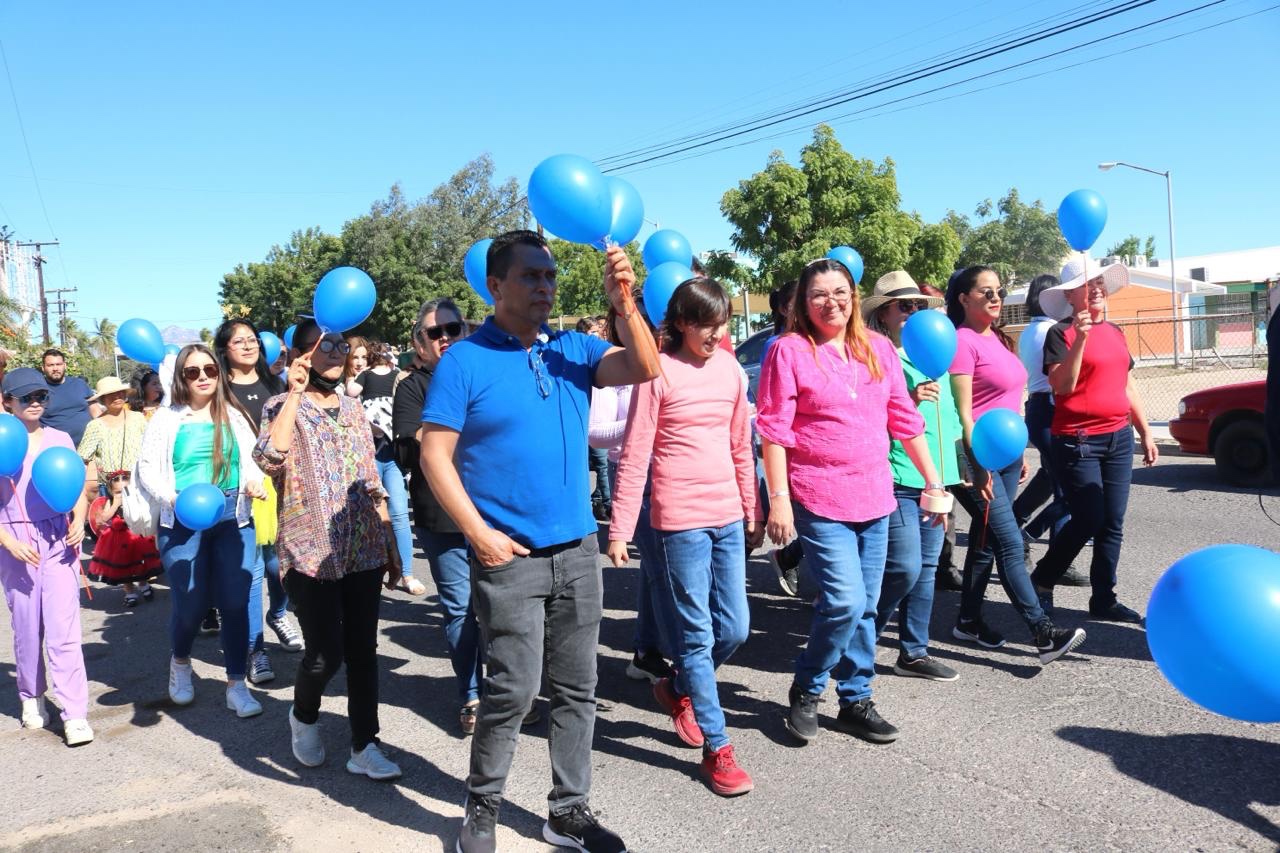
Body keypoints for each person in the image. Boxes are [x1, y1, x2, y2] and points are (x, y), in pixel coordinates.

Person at [421, 230, 657, 853]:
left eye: (549, 277)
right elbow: (434, 456)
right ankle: (482, 807)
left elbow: (646, 366)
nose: (544, 287)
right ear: (495, 286)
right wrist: (479, 535)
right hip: (511, 559)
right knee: (512, 691)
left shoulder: (574, 348)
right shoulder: (465, 361)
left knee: (578, 689)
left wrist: (625, 302)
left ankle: (568, 812)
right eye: (530, 277)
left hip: (579, 551)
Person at [756, 259, 949, 746]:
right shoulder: (789, 351)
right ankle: (807, 685)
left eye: (840, 292)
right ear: (803, 302)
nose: (831, 302)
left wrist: (934, 482)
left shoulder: (879, 349)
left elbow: (905, 421)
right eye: (819, 294)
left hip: (875, 495)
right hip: (819, 496)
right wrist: (778, 500)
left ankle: (856, 696)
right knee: (844, 601)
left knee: (864, 606)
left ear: (854, 295)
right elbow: (774, 432)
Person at [608, 277, 761, 796]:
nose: (715, 334)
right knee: (695, 637)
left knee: (736, 628)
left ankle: (676, 686)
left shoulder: (730, 369)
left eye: (721, 324)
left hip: (727, 516)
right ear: (679, 324)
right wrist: (621, 528)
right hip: (678, 521)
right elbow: (634, 453)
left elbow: (742, 443)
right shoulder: (657, 373)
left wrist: (751, 506)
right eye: (704, 325)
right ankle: (717, 749)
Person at [255, 319, 403, 780]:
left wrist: (390, 540)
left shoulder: (355, 409)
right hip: (308, 551)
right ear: (300, 354)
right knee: (324, 654)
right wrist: (294, 392)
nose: (338, 351)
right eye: (326, 345)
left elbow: (371, 479)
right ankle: (303, 714)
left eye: (343, 343)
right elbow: (268, 459)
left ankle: (365, 744)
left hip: (362, 546)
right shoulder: (281, 405)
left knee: (363, 651)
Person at [944, 266, 1086, 664]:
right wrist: (977, 465)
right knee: (1009, 541)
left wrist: (1018, 451)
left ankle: (968, 620)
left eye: (999, 291)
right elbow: (963, 414)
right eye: (985, 291)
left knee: (986, 540)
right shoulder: (961, 342)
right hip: (974, 458)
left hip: (1004, 456)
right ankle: (1042, 632)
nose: (995, 297)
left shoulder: (1000, 340)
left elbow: (1007, 402)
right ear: (964, 299)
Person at [135, 344, 266, 717]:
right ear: (181, 378)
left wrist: (254, 483)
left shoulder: (234, 415)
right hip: (182, 516)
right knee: (190, 602)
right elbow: (148, 469)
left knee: (235, 603)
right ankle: (180, 662)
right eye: (193, 372)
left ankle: (237, 684)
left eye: (209, 369)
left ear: (219, 372)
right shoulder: (167, 418)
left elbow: (251, 459)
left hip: (231, 514)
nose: (203, 377)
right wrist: (172, 499)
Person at [1030, 260, 1157, 623]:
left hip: (1118, 437)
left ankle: (1104, 598)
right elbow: (1061, 387)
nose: (1096, 287)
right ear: (1070, 295)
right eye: (1087, 283)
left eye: (1099, 281)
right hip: (1079, 439)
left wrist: (1145, 431)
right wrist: (1081, 339)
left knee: (1113, 522)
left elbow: (1127, 385)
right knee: (1089, 518)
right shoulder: (1061, 333)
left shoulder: (1116, 331)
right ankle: (1043, 577)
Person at [862, 271, 960, 682]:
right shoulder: (876, 355)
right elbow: (864, 419)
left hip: (936, 475)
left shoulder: (936, 347)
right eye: (904, 305)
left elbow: (951, 418)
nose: (914, 312)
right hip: (897, 473)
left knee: (928, 567)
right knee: (902, 566)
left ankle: (913, 652)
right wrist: (909, 400)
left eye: (918, 304)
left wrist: (964, 468)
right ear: (884, 314)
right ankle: (860, 642)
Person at [394, 298, 484, 733]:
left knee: (505, 610)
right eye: (435, 333)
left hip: (496, 510)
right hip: (442, 516)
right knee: (460, 609)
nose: (445, 337)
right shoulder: (412, 387)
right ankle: (472, 695)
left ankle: (507, 693)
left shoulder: (485, 370)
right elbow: (409, 448)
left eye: (453, 328)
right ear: (420, 343)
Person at [0, 368, 93, 745]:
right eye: (26, 397)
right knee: (26, 628)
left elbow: (77, 487)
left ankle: (74, 713)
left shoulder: (58, 437)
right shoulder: (2, 438)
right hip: (14, 541)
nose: (36, 402)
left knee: (64, 629)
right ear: (7, 402)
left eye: (41, 395)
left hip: (58, 539)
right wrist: (7, 541)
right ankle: (31, 695)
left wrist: (80, 521)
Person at [588, 307, 675, 685]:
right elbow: (598, 434)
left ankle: (646, 651)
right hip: (634, 478)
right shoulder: (613, 367)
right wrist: (644, 418)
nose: (649, 331)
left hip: (678, 475)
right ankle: (664, 657)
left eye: (653, 323)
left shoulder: (675, 361)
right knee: (661, 570)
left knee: (659, 573)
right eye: (637, 323)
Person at [214, 318, 303, 686]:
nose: (248, 346)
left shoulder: (276, 384)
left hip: (280, 484)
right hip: (241, 487)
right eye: (239, 341)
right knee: (250, 572)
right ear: (226, 349)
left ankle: (279, 613)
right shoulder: (218, 389)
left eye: (252, 340)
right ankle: (255, 651)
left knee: (279, 566)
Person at [1012, 275, 1086, 588]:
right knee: (1068, 488)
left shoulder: (1030, 330)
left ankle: (1016, 522)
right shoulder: (1049, 332)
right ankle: (1044, 544)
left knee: (1051, 477)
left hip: (1038, 407)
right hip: (1050, 408)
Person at [348, 340, 419, 596]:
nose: (360, 361)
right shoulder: (353, 383)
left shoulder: (396, 378)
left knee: (399, 514)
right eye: (356, 357)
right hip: (367, 457)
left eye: (364, 357)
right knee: (370, 516)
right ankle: (373, 570)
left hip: (392, 456)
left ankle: (408, 573)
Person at [77, 375, 150, 606]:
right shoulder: (95, 426)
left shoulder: (139, 419)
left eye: (120, 393)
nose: (117, 397)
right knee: (120, 538)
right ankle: (127, 587)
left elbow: (151, 447)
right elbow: (82, 457)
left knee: (142, 536)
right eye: (111, 395)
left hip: (140, 485)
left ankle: (144, 580)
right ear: (103, 399)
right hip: (113, 488)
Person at [761, 280, 804, 596]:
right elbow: (774, 409)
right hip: (786, 446)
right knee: (772, 519)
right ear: (784, 307)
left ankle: (789, 556)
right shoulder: (777, 346)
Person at [87, 470, 162, 600]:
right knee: (123, 568)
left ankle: (143, 585)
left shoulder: (134, 499)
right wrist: (115, 504)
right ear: (111, 492)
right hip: (118, 540)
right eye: (118, 492)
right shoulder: (110, 502)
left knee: (140, 564)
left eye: (125, 491)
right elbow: (104, 518)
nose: (122, 495)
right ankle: (129, 592)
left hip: (136, 537)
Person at [39, 349, 94, 447]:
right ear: (43, 368)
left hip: (88, 446)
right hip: (56, 449)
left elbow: (95, 411)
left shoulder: (80, 384)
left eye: (58, 364)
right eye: (50, 365)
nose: (55, 368)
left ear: (64, 365)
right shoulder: (38, 390)